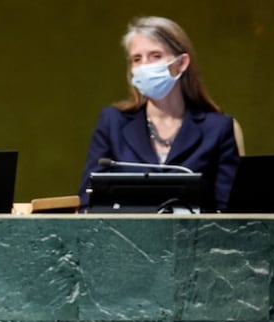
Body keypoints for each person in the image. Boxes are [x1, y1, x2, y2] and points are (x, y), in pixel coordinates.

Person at [77, 16, 239, 210]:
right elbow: (88, 201)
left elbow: (230, 210)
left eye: (155, 56)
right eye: (137, 59)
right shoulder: (112, 122)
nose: (145, 66)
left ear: (181, 63)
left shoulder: (217, 129)